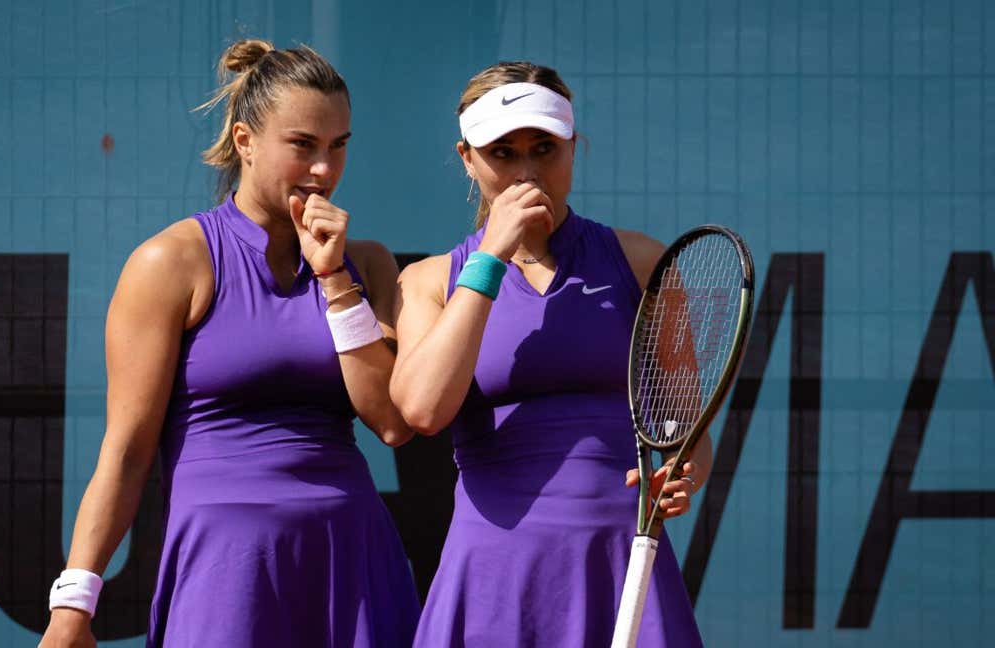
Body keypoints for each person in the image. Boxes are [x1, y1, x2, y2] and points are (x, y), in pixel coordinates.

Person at [38, 38, 420, 648]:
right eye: (302, 145)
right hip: (224, 574)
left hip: (352, 561)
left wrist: (333, 280)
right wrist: (73, 604)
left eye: (337, 146)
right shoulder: (171, 262)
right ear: (244, 141)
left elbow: (394, 422)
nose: (323, 169)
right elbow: (128, 450)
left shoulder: (367, 265)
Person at [390, 61, 708, 647]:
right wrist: (492, 257)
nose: (527, 170)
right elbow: (422, 409)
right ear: (467, 158)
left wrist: (684, 476)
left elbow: (686, 431)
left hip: (621, 563)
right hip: (492, 572)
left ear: (573, 147)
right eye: (503, 153)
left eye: (544, 148)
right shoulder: (430, 281)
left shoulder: (642, 262)